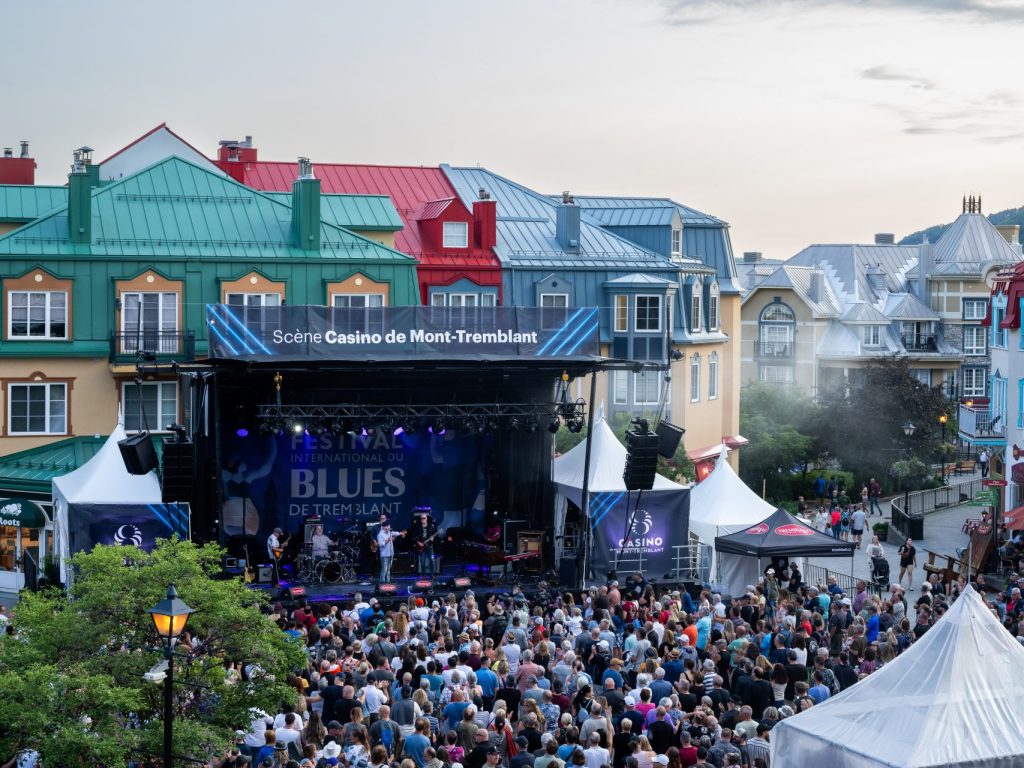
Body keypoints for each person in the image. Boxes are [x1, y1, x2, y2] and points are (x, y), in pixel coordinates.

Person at [409, 509, 439, 576]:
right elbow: (413, 537)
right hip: (421, 548)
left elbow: (435, 535)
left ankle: (432, 575)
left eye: (424, 518)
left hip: (430, 546)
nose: (423, 519)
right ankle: (423, 575)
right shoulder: (417, 527)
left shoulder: (431, 526)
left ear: (426, 518)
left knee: (432, 560)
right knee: (422, 562)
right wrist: (418, 542)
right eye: (421, 518)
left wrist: (433, 538)